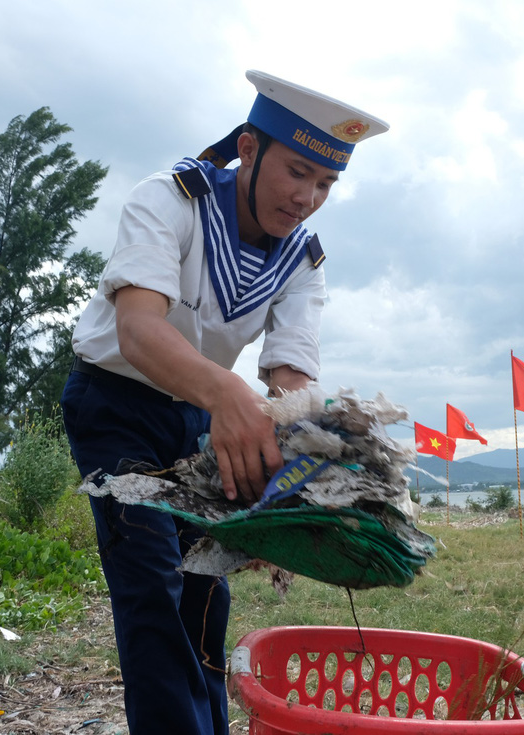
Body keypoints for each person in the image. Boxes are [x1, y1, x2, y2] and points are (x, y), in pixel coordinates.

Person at [60, 70, 388, 733]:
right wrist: (229, 394)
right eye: (297, 171)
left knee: (207, 583)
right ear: (248, 147)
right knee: (152, 585)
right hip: (117, 403)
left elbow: (291, 377)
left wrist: (312, 463)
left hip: (203, 413)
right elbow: (139, 329)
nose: (307, 197)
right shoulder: (168, 201)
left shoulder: (303, 259)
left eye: (326, 184)